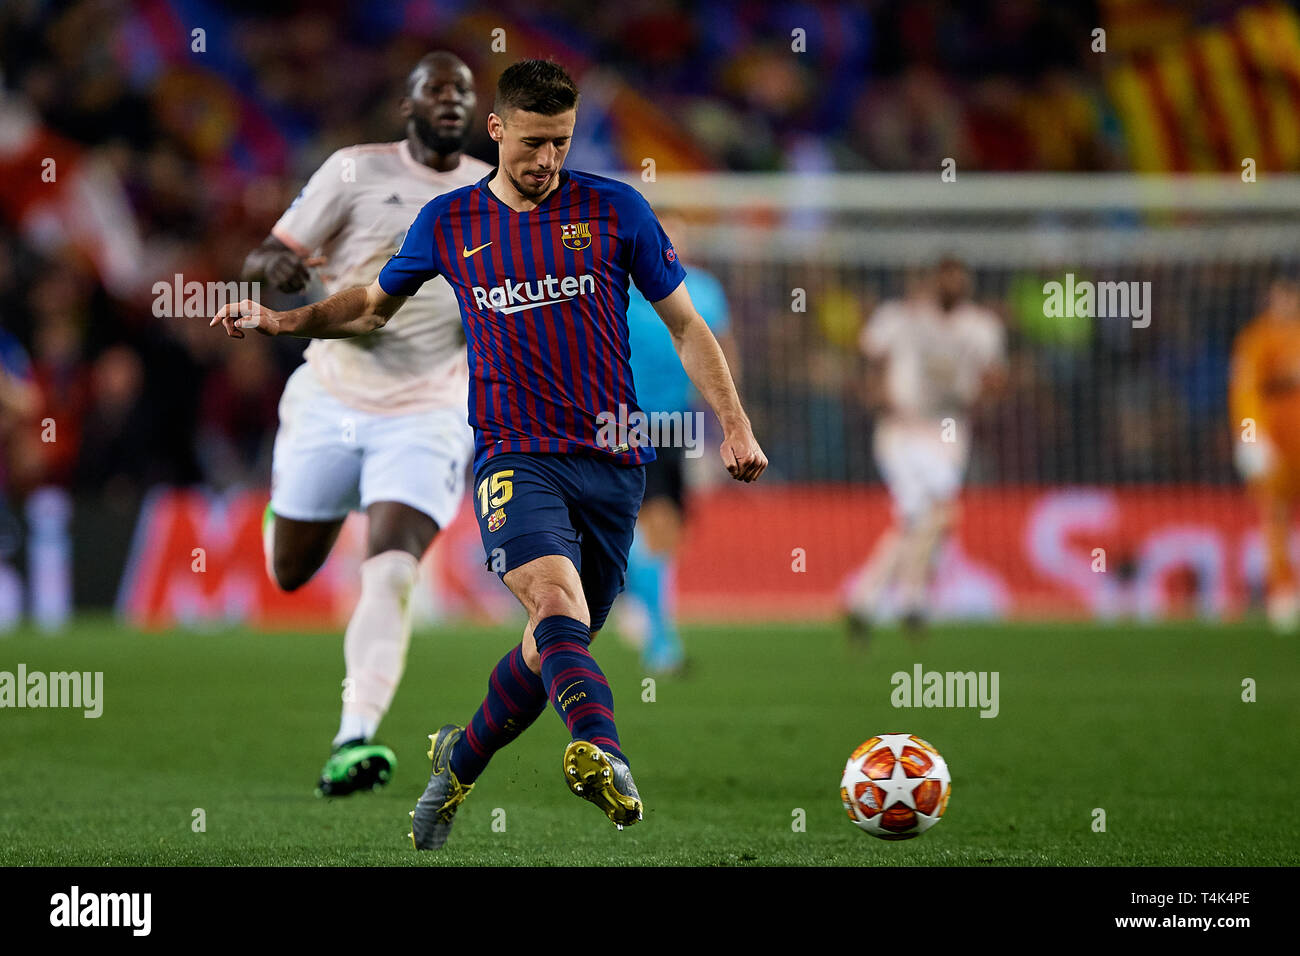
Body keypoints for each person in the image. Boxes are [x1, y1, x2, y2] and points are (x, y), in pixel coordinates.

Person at [212, 59, 767, 846]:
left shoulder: (617, 210)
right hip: (515, 458)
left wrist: (734, 426)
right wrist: (282, 321)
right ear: (498, 129)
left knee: (551, 648)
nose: (547, 161)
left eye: (562, 144)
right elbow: (372, 304)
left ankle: (457, 760)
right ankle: (602, 751)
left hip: (613, 463)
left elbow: (685, 324)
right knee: (554, 607)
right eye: (534, 142)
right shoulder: (451, 221)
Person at [239, 52, 491, 796]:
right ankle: (285, 512)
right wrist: (274, 271)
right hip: (332, 394)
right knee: (290, 573)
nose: (451, 101)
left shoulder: (490, 191)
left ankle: (355, 738)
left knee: (392, 569)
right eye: (435, 91)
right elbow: (266, 255)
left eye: (463, 93)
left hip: (429, 411)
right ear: (406, 107)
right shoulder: (354, 170)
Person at [843, 257, 1005, 636]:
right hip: (904, 429)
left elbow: (995, 376)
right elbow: (869, 355)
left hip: (949, 429)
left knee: (920, 518)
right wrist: (878, 395)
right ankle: (908, 601)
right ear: (933, 281)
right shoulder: (903, 316)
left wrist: (977, 399)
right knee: (939, 512)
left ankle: (868, 600)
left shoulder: (980, 327)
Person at [623, 213, 734, 674]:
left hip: (678, 423)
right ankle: (661, 641)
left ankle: (639, 604)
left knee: (669, 532)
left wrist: (733, 417)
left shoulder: (704, 290)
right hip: (622, 418)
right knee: (657, 523)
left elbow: (721, 349)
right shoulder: (623, 289)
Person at [1230, 277, 1300, 632]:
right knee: (1275, 513)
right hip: (1275, 442)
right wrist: (1250, 438)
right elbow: (1245, 392)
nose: (1287, 301)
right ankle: (1284, 592)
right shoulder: (1257, 338)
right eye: (1282, 294)